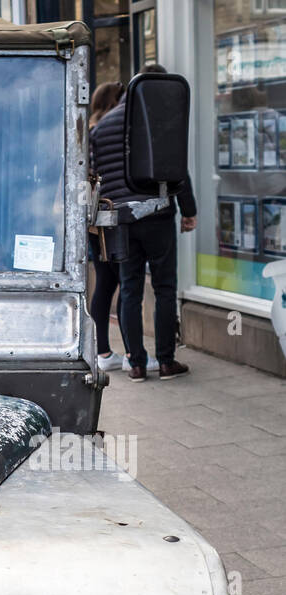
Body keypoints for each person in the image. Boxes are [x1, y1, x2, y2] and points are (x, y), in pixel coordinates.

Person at [90, 65, 197, 381]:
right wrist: (188, 209)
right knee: (165, 287)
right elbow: (177, 170)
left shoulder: (101, 127)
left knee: (130, 288)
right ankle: (166, 361)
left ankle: (135, 363)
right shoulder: (157, 121)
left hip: (121, 220)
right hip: (157, 214)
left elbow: (97, 176)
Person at [87, 80, 126, 372]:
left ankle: (102, 350)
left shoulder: (89, 130)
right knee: (123, 282)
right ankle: (124, 353)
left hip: (95, 223)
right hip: (109, 218)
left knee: (105, 283)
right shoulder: (108, 130)